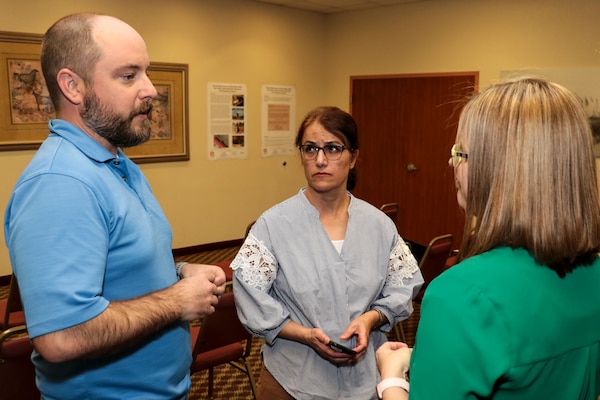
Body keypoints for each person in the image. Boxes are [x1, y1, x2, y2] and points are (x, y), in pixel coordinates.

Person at [3, 13, 226, 399]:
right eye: (128, 75)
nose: (151, 89)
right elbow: (60, 337)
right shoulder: (61, 183)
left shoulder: (118, 164)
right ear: (73, 86)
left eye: (147, 73)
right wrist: (177, 300)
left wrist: (178, 272)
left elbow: (115, 268)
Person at [374, 77, 600, 399]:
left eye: (460, 153)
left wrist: (391, 378)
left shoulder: (462, 294)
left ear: (500, 170)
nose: (451, 162)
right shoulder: (593, 275)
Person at [231, 106, 424, 400]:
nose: (320, 160)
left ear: (353, 157)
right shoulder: (273, 225)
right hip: (291, 380)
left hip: (365, 378)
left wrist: (372, 318)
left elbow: (403, 284)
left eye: (333, 148)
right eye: (310, 149)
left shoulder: (378, 226)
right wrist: (303, 334)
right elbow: (249, 295)